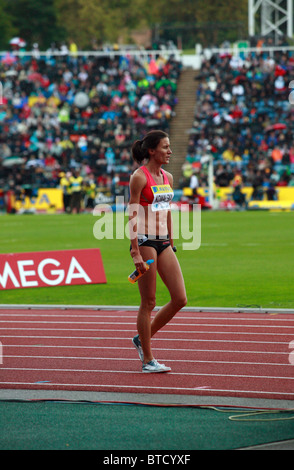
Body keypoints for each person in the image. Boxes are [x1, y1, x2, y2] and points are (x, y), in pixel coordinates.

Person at [128, 130, 187, 373]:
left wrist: (171, 241)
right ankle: (147, 360)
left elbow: (167, 211)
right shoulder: (138, 177)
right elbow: (132, 213)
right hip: (145, 242)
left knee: (180, 298)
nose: (169, 151)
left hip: (163, 242)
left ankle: (143, 337)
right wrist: (135, 252)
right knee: (149, 302)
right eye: (165, 147)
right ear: (151, 151)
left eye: (170, 146)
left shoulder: (168, 177)